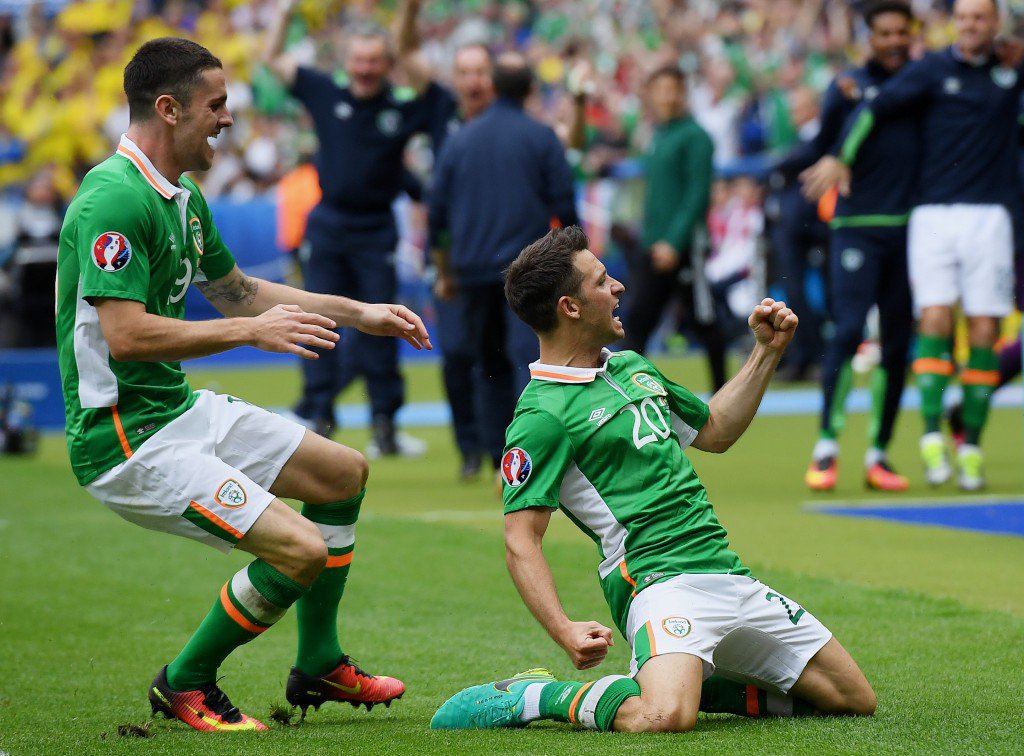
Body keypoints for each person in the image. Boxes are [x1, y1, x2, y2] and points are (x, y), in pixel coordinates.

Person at [55, 38, 429, 732]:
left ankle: (319, 662)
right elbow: (128, 336)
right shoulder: (111, 200)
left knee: (343, 473)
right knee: (302, 550)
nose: (229, 119)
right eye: (216, 105)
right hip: (124, 441)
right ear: (168, 110)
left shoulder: (183, 196)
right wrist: (248, 334)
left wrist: (358, 312)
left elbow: (238, 292)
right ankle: (186, 681)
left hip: (175, 410)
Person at [431, 226, 875, 733]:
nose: (618, 287)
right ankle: (539, 695)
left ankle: (692, 679)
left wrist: (766, 352)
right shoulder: (542, 416)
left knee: (852, 698)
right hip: (656, 581)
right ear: (569, 307)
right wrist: (564, 630)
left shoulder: (632, 368)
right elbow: (521, 540)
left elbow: (714, 431)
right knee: (664, 717)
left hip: (726, 571)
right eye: (601, 281)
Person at [802, 0, 1021, 490]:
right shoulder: (891, 78)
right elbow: (854, 118)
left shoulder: (983, 71)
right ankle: (855, 445)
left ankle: (921, 450)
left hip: (949, 221)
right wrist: (837, 157)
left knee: (941, 336)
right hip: (891, 221)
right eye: (885, 33)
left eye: (980, 18)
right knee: (875, 328)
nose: (895, 41)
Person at [264, 0, 454, 454]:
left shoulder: (404, 108)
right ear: (346, 63)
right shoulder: (326, 92)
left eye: (374, 60)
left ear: (388, 65)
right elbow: (274, 60)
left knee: (384, 327)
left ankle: (384, 427)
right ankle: (318, 415)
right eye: (359, 60)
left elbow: (429, 82)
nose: (365, 69)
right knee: (315, 321)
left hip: (375, 231)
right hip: (327, 226)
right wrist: (286, 14)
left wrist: (407, 16)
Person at [429, 52, 578, 472]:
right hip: (528, 271)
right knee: (525, 359)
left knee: (486, 362)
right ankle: (533, 450)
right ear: (531, 89)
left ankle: (496, 456)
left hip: (472, 270)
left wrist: (445, 270)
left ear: (493, 86)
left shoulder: (461, 139)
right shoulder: (541, 137)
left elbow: (436, 213)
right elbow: (565, 207)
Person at [796, 0, 917, 492]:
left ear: (910, 34)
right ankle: (826, 447)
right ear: (869, 37)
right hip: (856, 226)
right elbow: (822, 146)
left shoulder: (920, 84)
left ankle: (878, 455)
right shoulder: (847, 86)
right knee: (846, 332)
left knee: (897, 341)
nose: (891, 41)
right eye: (882, 33)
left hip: (909, 229)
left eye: (899, 33)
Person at [621, 65, 728, 391]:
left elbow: (697, 195)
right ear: (651, 95)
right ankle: (626, 395)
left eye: (674, 89)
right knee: (638, 321)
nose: (668, 96)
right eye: (661, 89)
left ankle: (723, 394)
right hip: (654, 245)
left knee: (703, 320)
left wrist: (673, 241)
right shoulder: (660, 134)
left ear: (684, 93)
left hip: (682, 247)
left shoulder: (695, 137)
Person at [429, 42, 495, 480]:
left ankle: (504, 452)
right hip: (457, 266)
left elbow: (571, 142)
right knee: (455, 357)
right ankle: (470, 447)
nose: (472, 80)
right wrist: (443, 268)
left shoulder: (511, 126)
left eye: (480, 71)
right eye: (464, 71)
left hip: (503, 268)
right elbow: (437, 212)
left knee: (502, 360)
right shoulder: (444, 124)